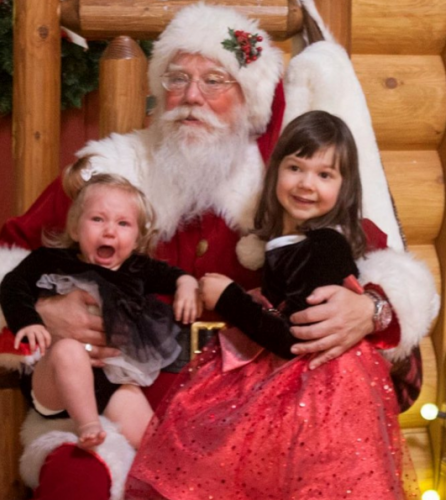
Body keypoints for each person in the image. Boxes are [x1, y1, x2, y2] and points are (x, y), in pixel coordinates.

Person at [0, 3, 436, 499]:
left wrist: (370, 307)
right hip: (114, 409)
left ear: (249, 99)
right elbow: (1, 268)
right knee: (76, 483)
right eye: (177, 78)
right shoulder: (111, 173)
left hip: (248, 425)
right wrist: (46, 312)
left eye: (215, 81)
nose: (191, 97)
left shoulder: (287, 186)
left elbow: (381, 264)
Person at [126, 111, 419, 499]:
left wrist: (230, 299)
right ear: (276, 169)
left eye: (324, 175)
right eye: (296, 168)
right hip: (297, 388)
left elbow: (290, 339)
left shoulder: (325, 246)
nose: (306, 184)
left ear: (345, 188)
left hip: (317, 397)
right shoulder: (290, 244)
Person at [0, 174, 200, 449]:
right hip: (53, 381)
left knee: (156, 446)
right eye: (97, 219)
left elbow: (174, 275)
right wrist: (28, 321)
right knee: (68, 350)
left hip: (111, 380)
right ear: (74, 228)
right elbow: (13, 285)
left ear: (137, 236)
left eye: (123, 223)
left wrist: (187, 283)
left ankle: (175, 481)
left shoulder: (137, 268)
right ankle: (89, 426)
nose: (109, 231)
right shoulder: (51, 261)